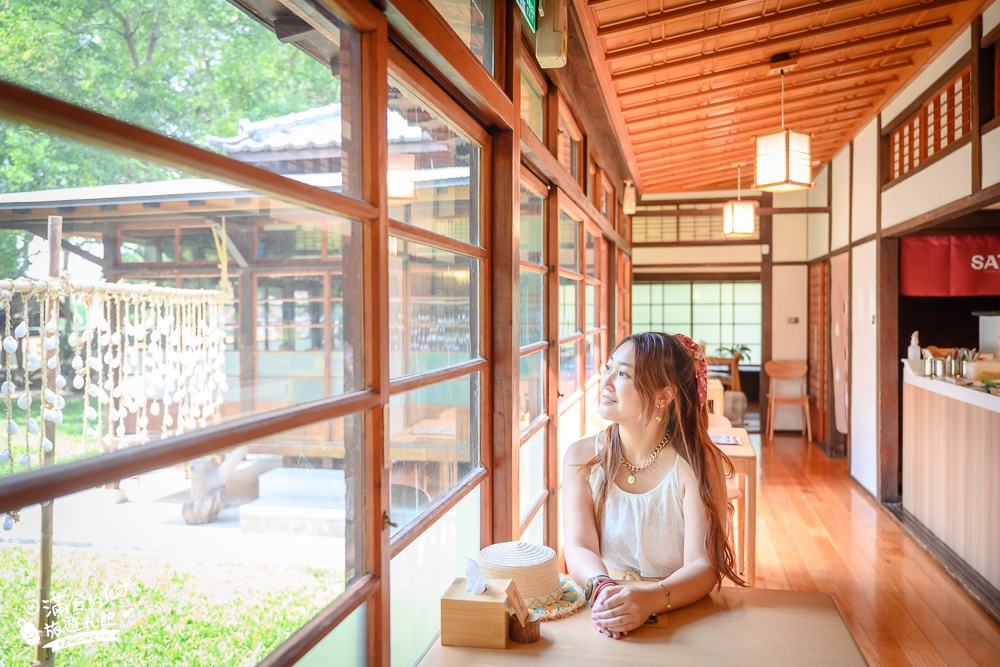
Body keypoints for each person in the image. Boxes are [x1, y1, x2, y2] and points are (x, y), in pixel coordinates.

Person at [562, 332, 744, 639]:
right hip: (604, 611)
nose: (605, 382)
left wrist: (650, 599)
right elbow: (579, 546)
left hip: (684, 616)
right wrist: (603, 587)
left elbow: (704, 566)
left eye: (622, 374)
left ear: (664, 395)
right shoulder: (582, 458)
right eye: (608, 368)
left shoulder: (697, 463)